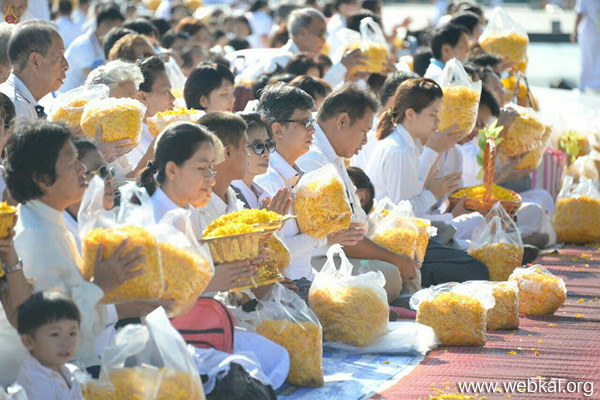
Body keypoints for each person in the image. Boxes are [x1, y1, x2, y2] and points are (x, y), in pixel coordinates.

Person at [3, 121, 161, 381]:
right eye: (70, 163)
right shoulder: (33, 235)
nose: (82, 170)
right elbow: (52, 330)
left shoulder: (49, 221)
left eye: (78, 159)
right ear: (42, 179)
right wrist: (102, 285)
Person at [295, 83, 415, 301]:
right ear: (342, 121)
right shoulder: (313, 158)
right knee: (390, 273)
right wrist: (395, 259)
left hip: (344, 251)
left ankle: (404, 299)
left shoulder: (333, 155)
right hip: (323, 259)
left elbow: (356, 222)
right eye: (363, 131)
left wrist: (397, 253)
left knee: (405, 253)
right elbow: (345, 238)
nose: (365, 141)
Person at [16, 291, 84, 400]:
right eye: (55, 334)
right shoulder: (35, 381)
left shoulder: (65, 368)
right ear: (28, 341)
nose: (66, 343)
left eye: (72, 333)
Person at [0, 20, 69, 126]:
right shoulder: (15, 107)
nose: (66, 66)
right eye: (59, 56)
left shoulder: (23, 99)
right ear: (35, 61)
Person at [350, 70, 419, 171]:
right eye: (418, 106)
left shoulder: (406, 135)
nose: (419, 113)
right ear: (396, 100)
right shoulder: (370, 137)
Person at [64, 140, 115, 254]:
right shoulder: (61, 234)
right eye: (102, 172)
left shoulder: (106, 223)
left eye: (110, 172)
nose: (110, 180)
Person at [60, 3, 124, 93]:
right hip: (67, 97)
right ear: (103, 26)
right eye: (116, 30)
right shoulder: (84, 45)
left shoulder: (102, 43)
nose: (119, 35)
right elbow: (92, 81)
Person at [573, 0, 600, 92]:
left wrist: (575, 31)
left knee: (586, 59)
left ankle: (583, 85)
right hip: (594, 28)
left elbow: (580, 12)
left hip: (590, 29)